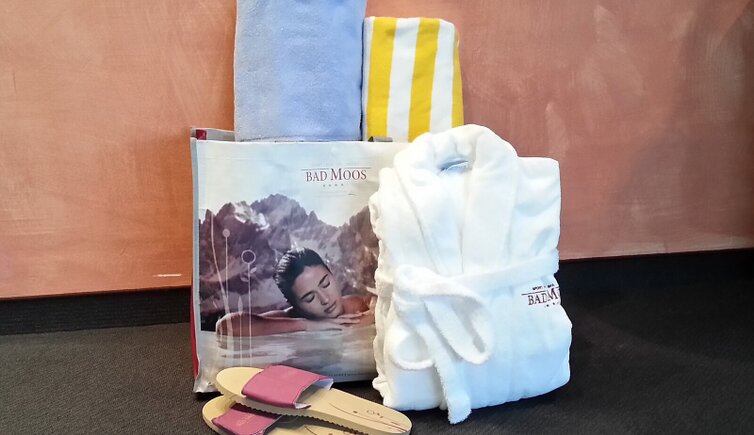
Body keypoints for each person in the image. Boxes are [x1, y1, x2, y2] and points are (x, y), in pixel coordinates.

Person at [215, 248, 375, 336]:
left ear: (332, 274)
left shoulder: (353, 306)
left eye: (325, 284)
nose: (325, 299)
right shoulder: (290, 318)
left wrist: (373, 312)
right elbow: (226, 326)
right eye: (310, 298)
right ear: (295, 305)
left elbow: (377, 300)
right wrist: (308, 326)